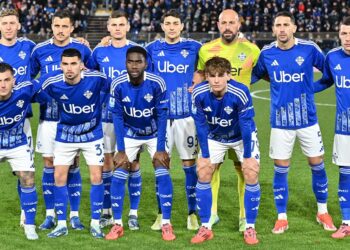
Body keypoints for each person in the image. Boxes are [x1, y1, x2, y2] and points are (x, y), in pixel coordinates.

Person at [252, 11, 336, 234]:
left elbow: (329, 74)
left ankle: (322, 211)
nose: (281, 29)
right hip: (280, 123)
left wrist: (311, 89)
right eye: (277, 25)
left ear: (294, 28)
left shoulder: (308, 49)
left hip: (308, 120)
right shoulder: (267, 53)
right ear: (273, 29)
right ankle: (282, 217)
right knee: (281, 169)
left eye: (285, 25)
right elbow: (254, 75)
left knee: (317, 164)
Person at [194, 9, 261, 231]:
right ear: (218, 24)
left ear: (239, 23)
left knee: (244, 168)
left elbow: (262, 71)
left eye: (232, 22)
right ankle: (211, 214)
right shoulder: (205, 49)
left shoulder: (252, 49)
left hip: (241, 117)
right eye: (224, 22)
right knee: (211, 167)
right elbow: (199, 75)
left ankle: (244, 217)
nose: (228, 26)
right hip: (214, 118)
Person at [31, 9, 92, 230]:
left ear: (72, 28)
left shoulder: (83, 49)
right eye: (57, 26)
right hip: (48, 117)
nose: (60, 30)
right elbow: (30, 79)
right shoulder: (40, 50)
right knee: (48, 163)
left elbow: (92, 77)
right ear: (52, 27)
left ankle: (74, 215)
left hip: (74, 117)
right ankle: (50, 215)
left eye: (65, 26)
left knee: (73, 164)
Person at [106, 46, 175, 241]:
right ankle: (117, 224)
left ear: (145, 63)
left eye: (138, 62)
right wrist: (121, 150)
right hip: (130, 132)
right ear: (125, 62)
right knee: (119, 170)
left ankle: (166, 223)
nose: (134, 65)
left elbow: (162, 116)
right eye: (130, 61)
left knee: (162, 169)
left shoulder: (157, 83)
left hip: (154, 132)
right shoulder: (118, 84)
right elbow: (117, 117)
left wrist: (160, 148)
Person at [39, 48, 109, 238]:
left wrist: (101, 102)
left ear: (81, 65)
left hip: (92, 134)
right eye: (65, 64)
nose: (69, 68)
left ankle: (95, 223)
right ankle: (61, 223)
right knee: (59, 176)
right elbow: (32, 91)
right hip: (65, 135)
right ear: (61, 65)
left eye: (73, 64)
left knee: (96, 177)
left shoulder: (96, 78)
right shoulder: (52, 82)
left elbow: (114, 88)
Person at [145, 9, 201, 231]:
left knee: (189, 165)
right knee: (160, 164)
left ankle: (192, 213)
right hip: (161, 117)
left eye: (175, 23)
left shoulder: (194, 48)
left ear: (182, 26)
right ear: (162, 26)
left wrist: (199, 78)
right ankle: (161, 214)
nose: (171, 27)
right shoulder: (152, 49)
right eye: (167, 23)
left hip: (186, 117)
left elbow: (209, 65)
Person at [88, 10, 143, 230]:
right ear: (108, 28)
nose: (118, 28)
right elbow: (90, 75)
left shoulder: (138, 51)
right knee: (108, 162)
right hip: (106, 116)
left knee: (134, 163)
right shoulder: (99, 51)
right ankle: (108, 210)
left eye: (122, 24)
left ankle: (133, 213)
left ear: (128, 26)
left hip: (132, 116)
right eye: (114, 25)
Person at [314, 16, 350, 239]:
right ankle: (347, 222)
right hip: (344, 128)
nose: (348, 38)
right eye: (344, 33)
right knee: (345, 173)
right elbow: (326, 80)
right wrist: (304, 88)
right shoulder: (333, 57)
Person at [0, 8, 36, 226]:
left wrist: (79, 41)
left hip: (21, 119)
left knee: (23, 170)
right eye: (5, 23)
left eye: (12, 23)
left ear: (19, 25)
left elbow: (55, 50)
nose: (9, 27)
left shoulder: (30, 47)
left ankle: (26, 214)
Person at [0, 62, 42, 240]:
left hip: (18, 142)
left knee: (28, 178)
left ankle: (30, 225)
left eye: (6, 80)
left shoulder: (25, 90)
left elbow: (48, 80)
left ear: (14, 81)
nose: (2, 84)